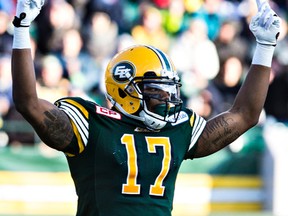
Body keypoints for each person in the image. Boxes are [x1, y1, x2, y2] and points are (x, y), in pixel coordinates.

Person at [11, 0, 281, 215]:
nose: (166, 100)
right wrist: (22, 30)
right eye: (156, 92)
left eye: (169, 91)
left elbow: (245, 115)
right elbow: (28, 103)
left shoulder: (178, 128)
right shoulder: (91, 124)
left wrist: (265, 47)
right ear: (124, 87)